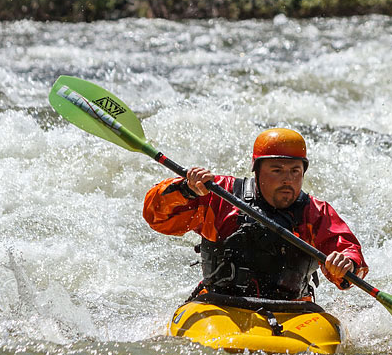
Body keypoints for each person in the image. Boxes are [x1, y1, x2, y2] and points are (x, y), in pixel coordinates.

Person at [143, 128, 368, 302]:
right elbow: (158, 217)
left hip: (293, 309)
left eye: (295, 171)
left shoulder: (316, 213)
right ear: (257, 170)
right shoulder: (220, 194)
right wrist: (186, 190)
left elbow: (346, 250)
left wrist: (347, 264)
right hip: (220, 303)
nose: (287, 179)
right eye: (277, 170)